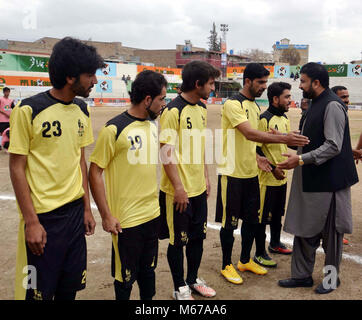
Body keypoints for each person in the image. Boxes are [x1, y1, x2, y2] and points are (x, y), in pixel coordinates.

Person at [9, 37, 102, 300]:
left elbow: (79, 161)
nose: (94, 81)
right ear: (71, 77)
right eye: (90, 75)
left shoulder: (82, 110)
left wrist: (86, 208)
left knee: (68, 291)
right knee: (37, 294)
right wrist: (31, 222)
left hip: (74, 217)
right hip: (44, 219)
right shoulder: (29, 110)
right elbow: (16, 167)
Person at [215, 63, 309, 285]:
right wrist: (285, 138)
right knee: (230, 223)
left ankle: (245, 260)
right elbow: (249, 133)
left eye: (266, 82)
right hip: (232, 172)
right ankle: (226, 264)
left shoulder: (254, 106)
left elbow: (256, 138)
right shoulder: (232, 104)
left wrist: (259, 157)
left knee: (251, 220)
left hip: (251, 173)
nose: (264, 87)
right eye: (260, 82)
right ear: (247, 81)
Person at [278, 62, 359, 294]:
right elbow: (311, 140)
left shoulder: (332, 105)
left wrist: (300, 160)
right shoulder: (314, 104)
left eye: (303, 81)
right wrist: (287, 139)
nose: (300, 85)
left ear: (316, 82)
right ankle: (301, 276)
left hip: (331, 182)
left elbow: (333, 146)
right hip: (312, 178)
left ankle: (332, 279)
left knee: (332, 235)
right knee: (305, 228)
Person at [89, 70, 167, 300]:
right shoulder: (114, 129)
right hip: (126, 222)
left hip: (152, 215)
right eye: (162, 99)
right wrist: (106, 215)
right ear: (147, 100)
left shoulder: (152, 126)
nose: (164, 104)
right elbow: (94, 173)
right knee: (125, 279)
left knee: (148, 273)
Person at [159, 60, 220, 300]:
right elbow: (165, 152)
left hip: (197, 189)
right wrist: (178, 188)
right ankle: (179, 286)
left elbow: (200, 146)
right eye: (211, 83)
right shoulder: (173, 111)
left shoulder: (202, 109)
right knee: (178, 241)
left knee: (198, 238)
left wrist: (205, 176)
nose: (213, 88)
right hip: (178, 191)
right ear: (198, 84)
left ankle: (193, 279)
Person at [253, 82, 293, 270]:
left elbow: (285, 143)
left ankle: (275, 243)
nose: (290, 100)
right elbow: (257, 148)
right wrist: (273, 167)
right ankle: (259, 253)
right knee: (262, 218)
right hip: (266, 179)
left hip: (281, 178)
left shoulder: (285, 119)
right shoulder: (264, 119)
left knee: (277, 215)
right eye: (286, 97)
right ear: (275, 99)